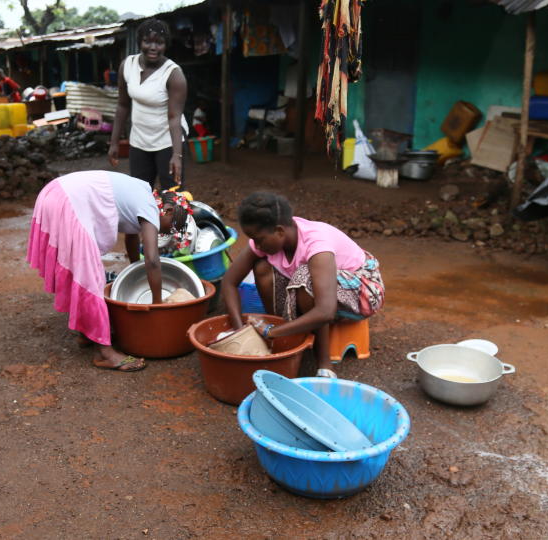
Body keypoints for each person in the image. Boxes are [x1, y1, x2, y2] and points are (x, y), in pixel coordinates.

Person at [26, 171, 192, 372]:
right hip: (68, 201)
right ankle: (104, 353)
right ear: (168, 211)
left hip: (56, 194)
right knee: (90, 277)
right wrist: (157, 305)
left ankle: (87, 331)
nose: (167, 233)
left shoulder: (143, 194)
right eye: (172, 227)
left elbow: (131, 239)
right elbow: (153, 260)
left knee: (79, 270)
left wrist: (135, 269)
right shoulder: (149, 206)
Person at [220, 192, 385, 378]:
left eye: (259, 239)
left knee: (306, 276)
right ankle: (284, 338)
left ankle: (324, 363)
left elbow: (325, 311)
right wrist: (239, 330)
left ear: (280, 231)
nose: (256, 244)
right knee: (262, 267)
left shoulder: (316, 244)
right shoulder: (269, 238)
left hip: (364, 290)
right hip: (321, 289)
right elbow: (229, 282)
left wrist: (271, 331)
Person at [108, 18, 189, 190]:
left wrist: (177, 155)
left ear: (166, 45)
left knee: (172, 198)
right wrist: (114, 142)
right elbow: (122, 106)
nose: (153, 47)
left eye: (159, 43)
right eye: (147, 41)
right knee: (139, 195)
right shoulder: (127, 66)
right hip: (139, 141)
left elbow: (175, 117)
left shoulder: (173, 74)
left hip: (168, 142)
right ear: (140, 42)